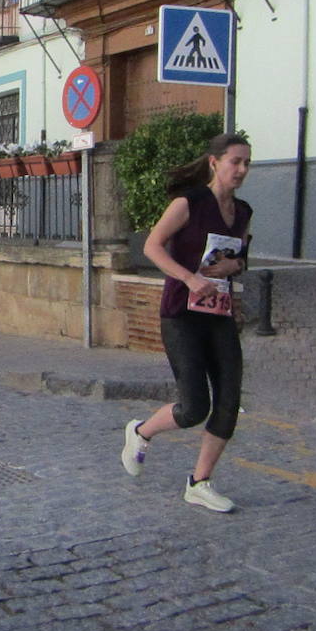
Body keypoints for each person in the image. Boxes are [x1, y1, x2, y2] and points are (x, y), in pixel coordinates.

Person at [121, 133, 253, 514]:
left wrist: (235, 265)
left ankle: (200, 482)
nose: (242, 170)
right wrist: (189, 278)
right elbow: (152, 246)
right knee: (195, 407)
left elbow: (239, 255)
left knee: (228, 402)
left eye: (247, 163)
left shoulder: (242, 211)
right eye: (235, 162)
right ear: (215, 163)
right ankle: (141, 431)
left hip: (219, 313)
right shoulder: (189, 203)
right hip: (181, 314)